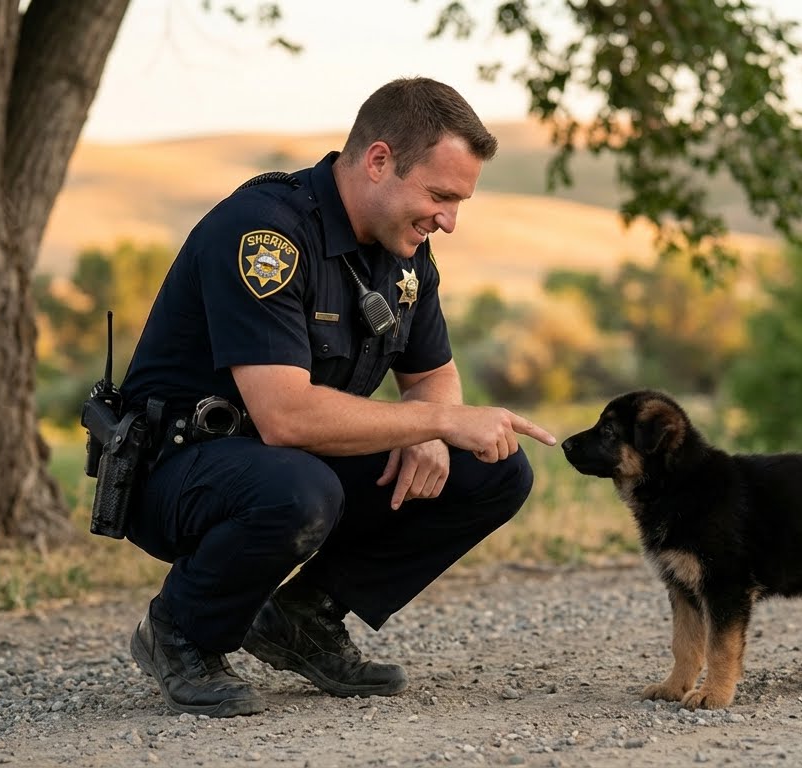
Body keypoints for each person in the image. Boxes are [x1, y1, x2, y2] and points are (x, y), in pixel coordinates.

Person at [116, 76, 559, 717]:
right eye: (439, 196)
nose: (449, 221)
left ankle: (304, 617)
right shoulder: (265, 233)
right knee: (298, 490)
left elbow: (432, 373)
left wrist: (432, 429)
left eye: (459, 202)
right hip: (184, 471)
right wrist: (430, 421)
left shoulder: (404, 253)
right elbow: (286, 416)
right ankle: (180, 631)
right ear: (379, 161)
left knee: (492, 470)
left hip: (287, 466)